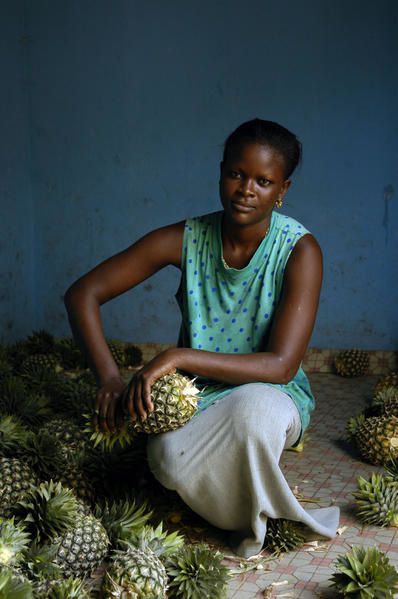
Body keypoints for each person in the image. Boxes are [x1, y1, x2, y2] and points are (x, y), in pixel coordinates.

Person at [65, 118, 339, 558]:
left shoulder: (299, 251)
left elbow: (282, 364)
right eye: (236, 173)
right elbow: (83, 293)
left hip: (272, 392)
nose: (246, 189)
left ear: (282, 189)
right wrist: (108, 378)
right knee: (167, 460)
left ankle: (256, 520)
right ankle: (238, 504)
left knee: (252, 417)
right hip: (199, 397)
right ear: (221, 172)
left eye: (264, 181)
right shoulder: (186, 238)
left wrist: (178, 357)